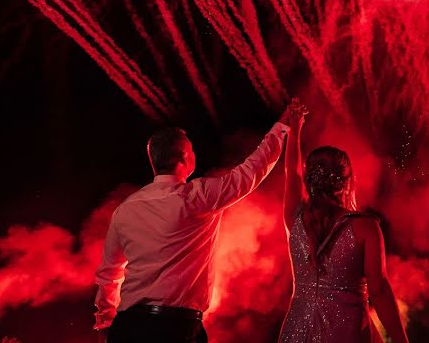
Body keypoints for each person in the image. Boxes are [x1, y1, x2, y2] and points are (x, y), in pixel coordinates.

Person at [94, 100, 304, 342]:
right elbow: (252, 170)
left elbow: (108, 275)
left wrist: (105, 322)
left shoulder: (125, 210)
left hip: (128, 326)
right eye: (192, 150)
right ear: (184, 158)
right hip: (175, 329)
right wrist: (283, 125)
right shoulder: (198, 197)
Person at [278, 102, 409, 343]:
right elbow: (379, 291)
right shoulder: (365, 227)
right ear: (347, 181)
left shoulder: (295, 220)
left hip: (296, 333)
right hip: (346, 334)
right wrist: (401, 340)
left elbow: (291, 173)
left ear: (309, 180)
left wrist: (295, 130)